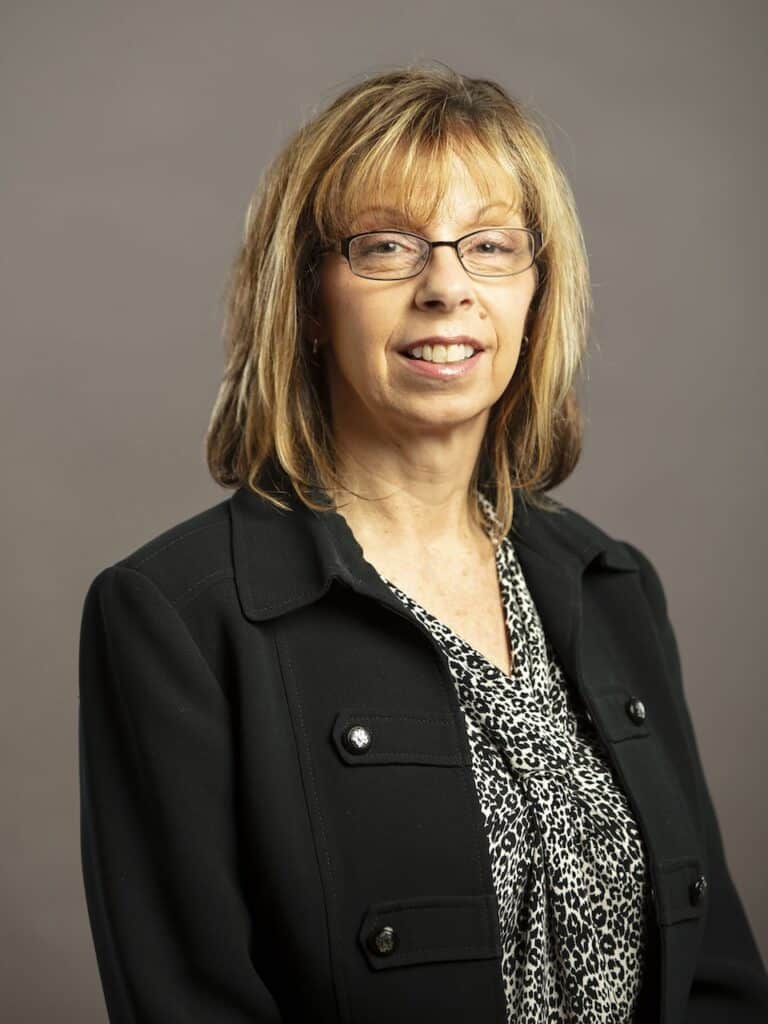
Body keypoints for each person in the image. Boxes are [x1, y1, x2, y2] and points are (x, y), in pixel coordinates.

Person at [78, 62, 768, 1023]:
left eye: (490, 245)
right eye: (388, 247)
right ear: (310, 300)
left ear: (536, 294)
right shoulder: (179, 616)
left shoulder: (612, 585)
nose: (446, 287)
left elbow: (720, 977)